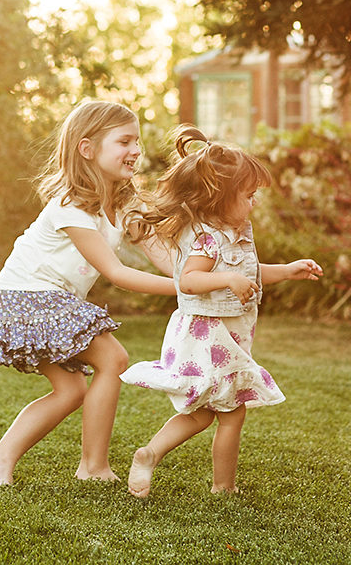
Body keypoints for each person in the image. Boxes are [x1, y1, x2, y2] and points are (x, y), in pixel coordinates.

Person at [0, 100, 177, 486]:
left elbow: (165, 256)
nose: (136, 151)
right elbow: (116, 272)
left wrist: (204, 277)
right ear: (88, 149)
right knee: (112, 358)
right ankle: (93, 467)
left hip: (46, 297)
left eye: (137, 142)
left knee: (71, 388)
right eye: (124, 141)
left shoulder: (123, 204)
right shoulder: (70, 205)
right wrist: (184, 289)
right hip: (26, 296)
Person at [120, 126, 323, 498]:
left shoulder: (237, 233)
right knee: (232, 412)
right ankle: (223, 487)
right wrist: (227, 278)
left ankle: (150, 453)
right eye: (248, 196)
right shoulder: (208, 238)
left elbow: (249, 274)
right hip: (207, 337)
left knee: (202, 413)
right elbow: (189, 279)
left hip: (224, 338)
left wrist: (289, 269)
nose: (253, 203)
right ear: (218, 199)